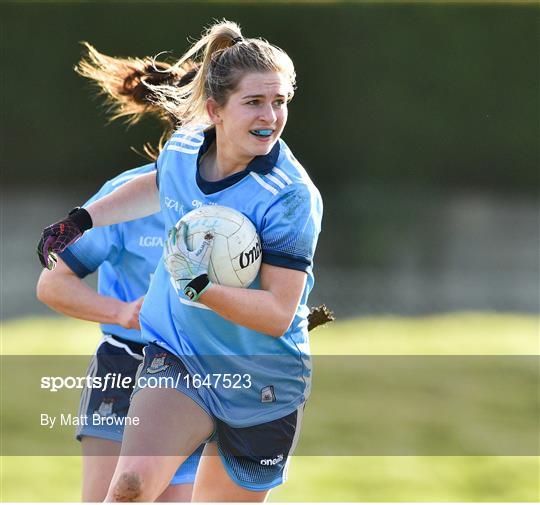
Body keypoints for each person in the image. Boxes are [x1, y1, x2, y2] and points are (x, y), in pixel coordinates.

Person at [37, 20, 323, 502]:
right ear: (215, 110)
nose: (271, 116)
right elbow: (156, 183)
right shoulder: (186, 149)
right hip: (179, 359)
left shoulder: (290, 197)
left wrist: (201, 288)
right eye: (255, 102)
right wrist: (82, 219)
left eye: (280, 102)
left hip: (261, 378)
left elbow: (277, 314)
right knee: (127, 488)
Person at [36, 47, 203, 502]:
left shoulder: (243, 204)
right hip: (124, 370)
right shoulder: (124, 198)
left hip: (202, 375)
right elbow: (52, 283)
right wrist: (125, 312)